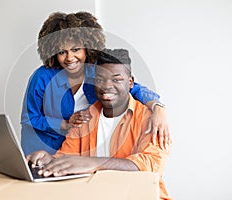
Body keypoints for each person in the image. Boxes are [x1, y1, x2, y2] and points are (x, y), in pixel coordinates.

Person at [27, 48, 172, 200]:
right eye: (100, 79)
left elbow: (151, 165)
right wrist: (49, 159)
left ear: (130, 83)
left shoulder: (150, 119)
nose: (106, 86)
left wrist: (94, 163)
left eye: (116, 79)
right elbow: (67, 157)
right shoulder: (85, 118)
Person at [21, 11, 170, 156]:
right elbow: (29, 118)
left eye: (76, 49)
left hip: (76, 152)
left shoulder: (97, 72)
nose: (70, 58)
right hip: (41, 149)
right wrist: (64, 124)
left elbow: (132, 88)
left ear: (88, 48)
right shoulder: (42, 77)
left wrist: (158, 107)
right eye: (62, 52)